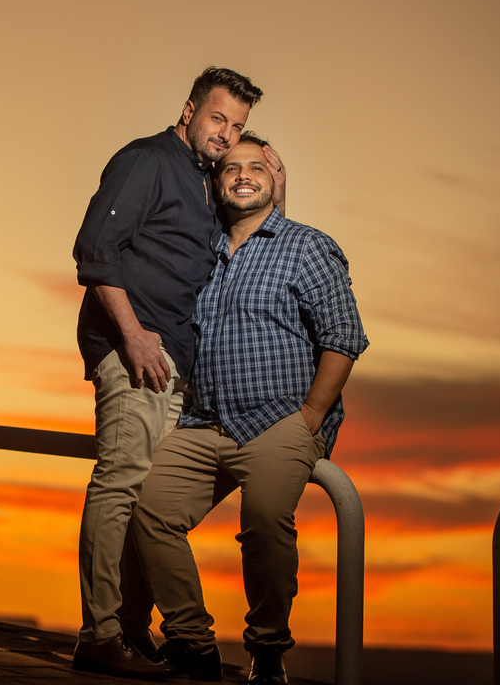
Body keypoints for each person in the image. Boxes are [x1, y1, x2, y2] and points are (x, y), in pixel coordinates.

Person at [128, 134, 369, 684]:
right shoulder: (202, 254)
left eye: (256, 167)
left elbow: (344, 338)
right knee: (151, 512)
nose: (242, 175)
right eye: (230, 168)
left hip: (278, 420)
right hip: (202, 421)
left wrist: (310, 416)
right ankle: (192, 642)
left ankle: (267, 653)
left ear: (274, 178)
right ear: (215, 183)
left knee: (263, 521)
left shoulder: (307, 247)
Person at [70, 67, 279, 678]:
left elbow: (251, 231)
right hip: (133, 348)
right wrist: (132, 337)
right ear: (188, 111)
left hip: (175, 365)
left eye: (237, 125)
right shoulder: (147, 160)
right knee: (121, 481)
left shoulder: (206, 183)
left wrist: (277, 182)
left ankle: (131, 632)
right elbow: (94, 251)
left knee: (146, 497)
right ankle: (99, 635)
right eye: (218, 119)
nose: (226, 134)